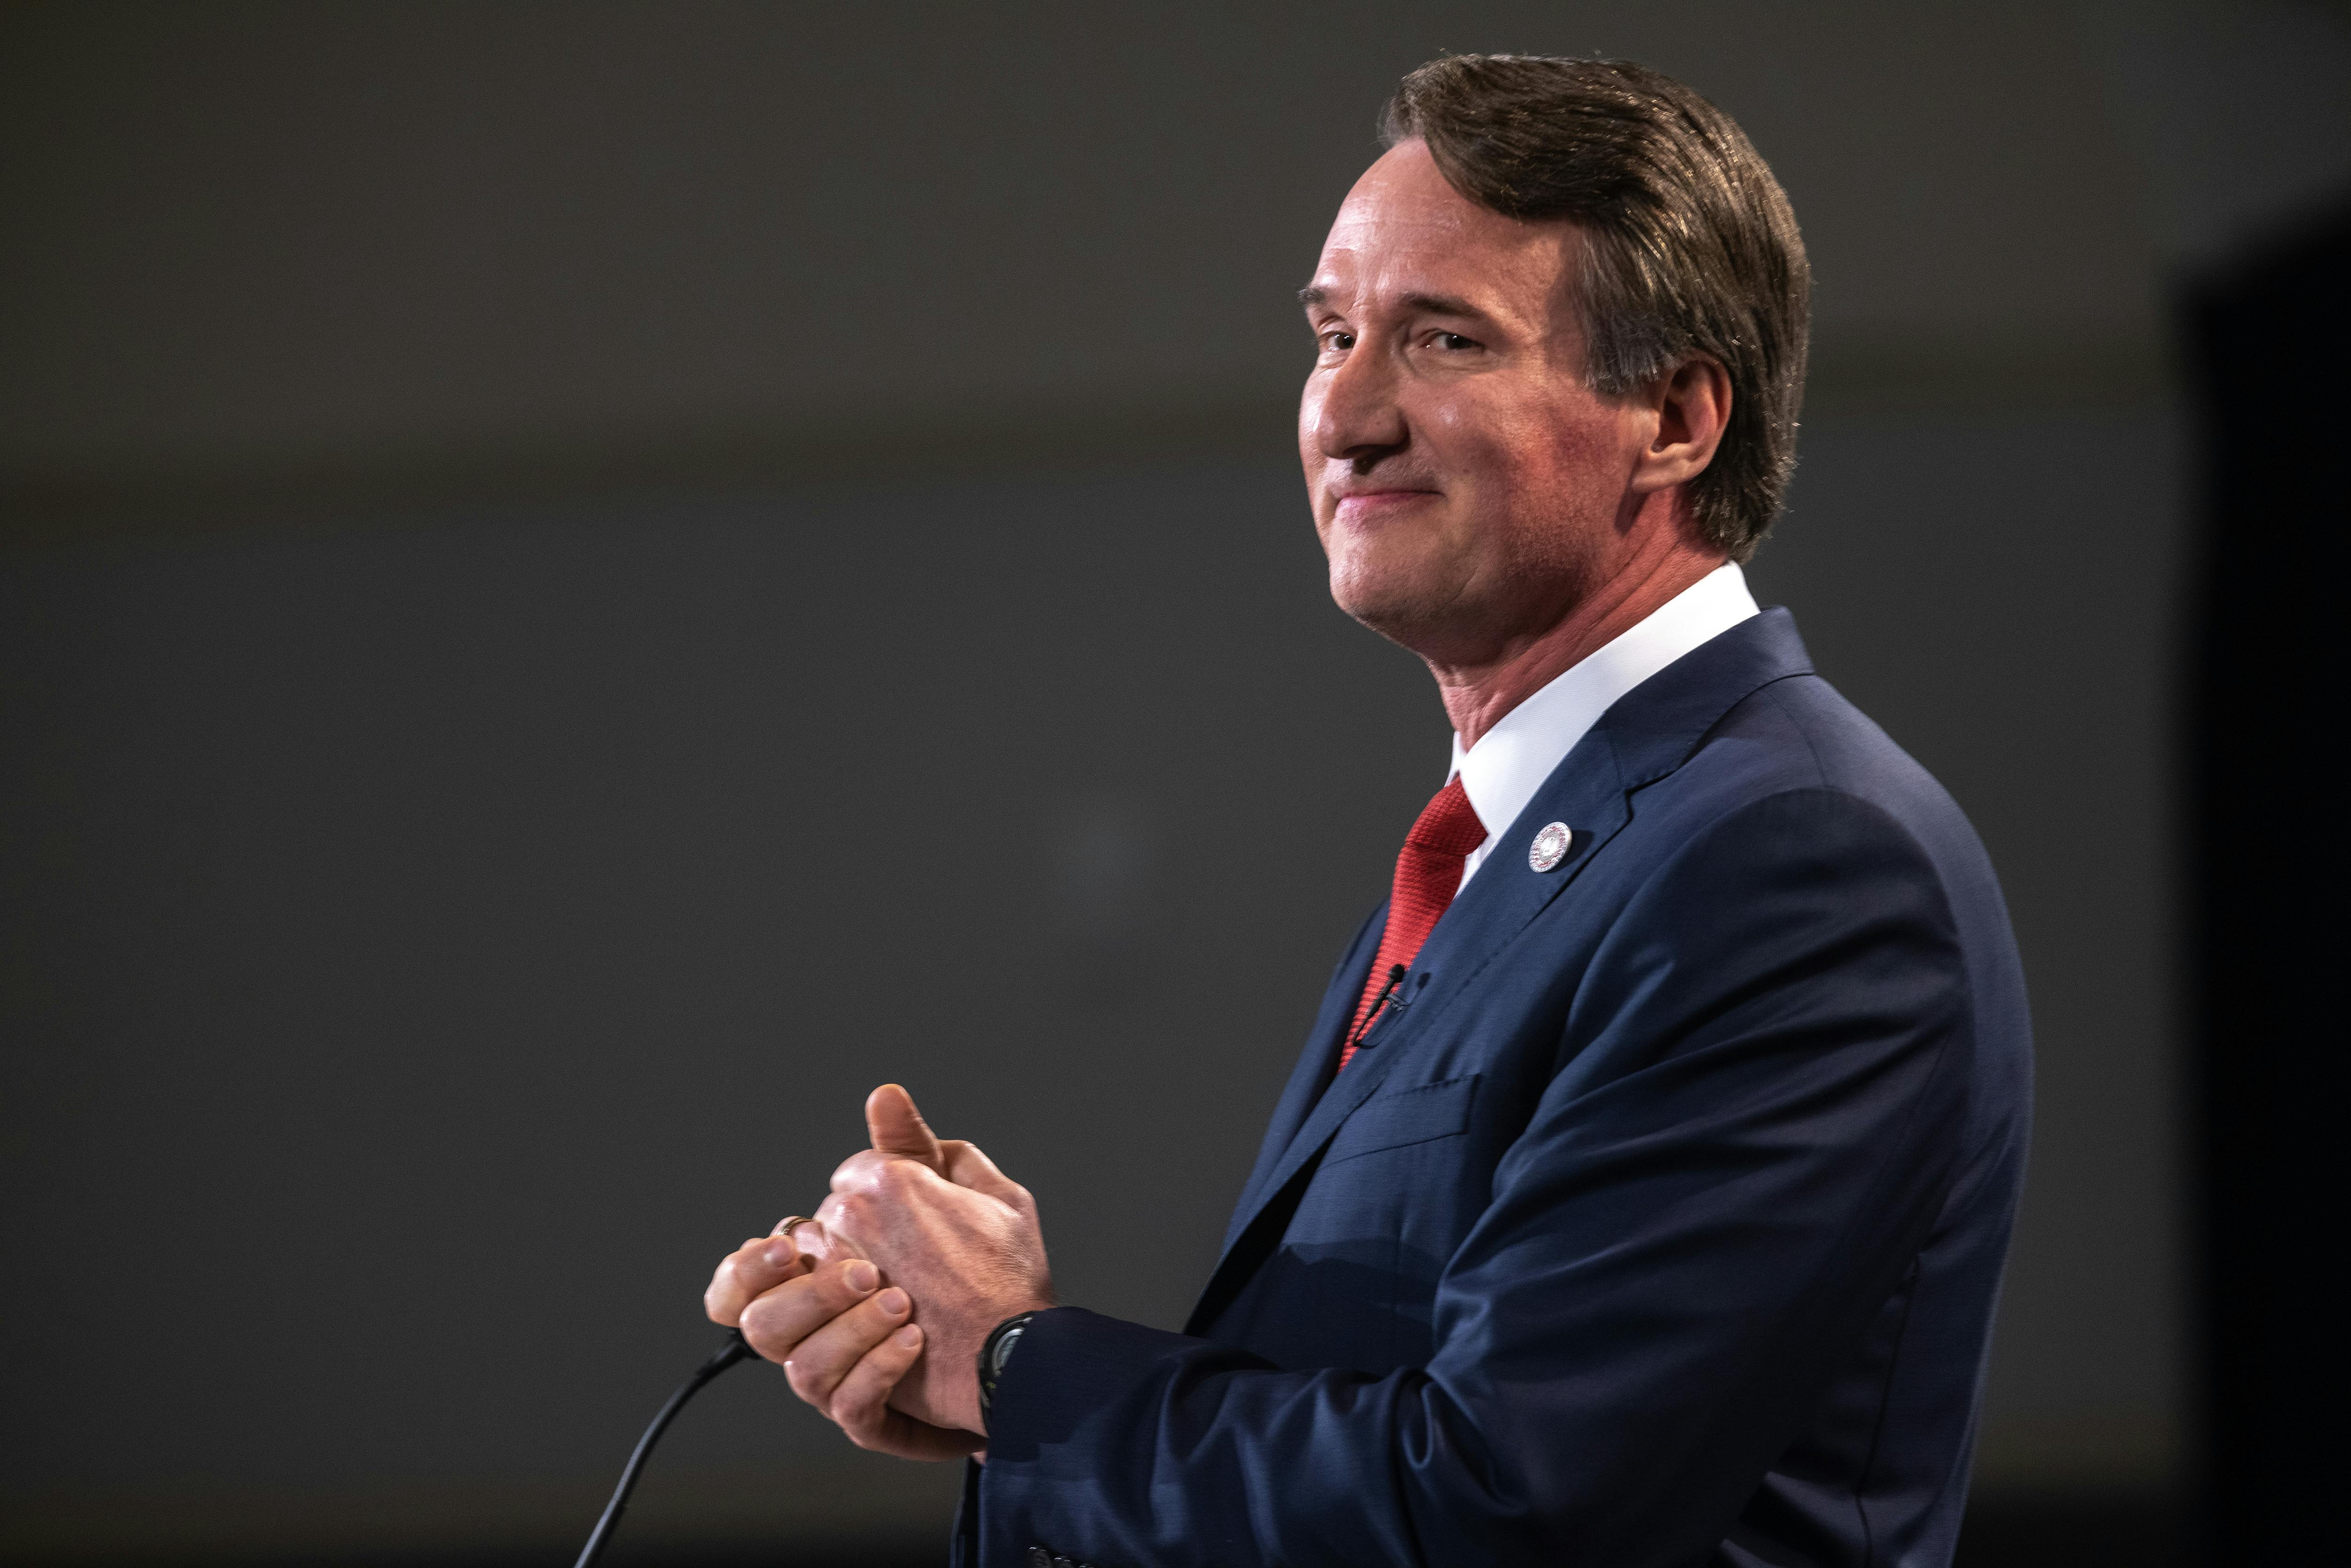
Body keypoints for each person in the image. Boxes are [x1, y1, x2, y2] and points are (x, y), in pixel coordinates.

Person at [703, 54, 2029, 1568]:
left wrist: (1019, 1364)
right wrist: (995, 1380)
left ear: (1674, 418)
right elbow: (1366, 1416)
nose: (1345, 412)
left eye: (1444, 341)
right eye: (1332, 336)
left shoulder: (1794, 863)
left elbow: (1495, 1509)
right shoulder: (1515, 850)